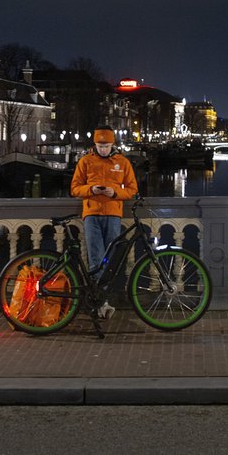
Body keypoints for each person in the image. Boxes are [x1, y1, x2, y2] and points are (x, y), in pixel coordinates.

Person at [70, 126, 138, 318]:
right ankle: (99, 302)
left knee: (110, 260)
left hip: (113, 214)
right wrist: (91, 190)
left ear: (112, 144)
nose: (103, 150)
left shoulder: (123, 163)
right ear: (95, 145)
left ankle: (102, 298)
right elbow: (75, 188)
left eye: (106, 146)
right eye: (100, 146)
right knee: (95, 259)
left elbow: (132, 189)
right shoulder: (85, 162)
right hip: (91, 214)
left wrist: (115, 193)